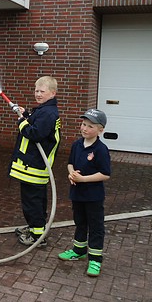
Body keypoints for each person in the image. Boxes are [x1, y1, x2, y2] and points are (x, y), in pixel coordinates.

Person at [58, 108, 111, 277]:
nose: (85, 129)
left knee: (95, 226)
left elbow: (105, 174)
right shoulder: (77, 145)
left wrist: (83, 179)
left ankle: (95, 259)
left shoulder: (101, 150)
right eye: (83, 124)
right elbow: (70, 163)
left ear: (100, 130)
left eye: (90, 126)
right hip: (77, 194)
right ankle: (79, 250)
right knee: (80, 221)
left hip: (93, 196)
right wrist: (71, 173)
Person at [9, 76, 61, 247]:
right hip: (32, 166)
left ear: (52, 93)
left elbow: (35, 133)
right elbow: (36, 123)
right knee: (33, 200)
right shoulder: (44, 110)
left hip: (34, 166)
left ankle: (38, 236)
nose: (38, 94)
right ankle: (34, 227)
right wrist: (25, 114)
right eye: (36, 90)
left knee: (33, 202)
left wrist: (21, 122)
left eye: (42, 91)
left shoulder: (48, 113)